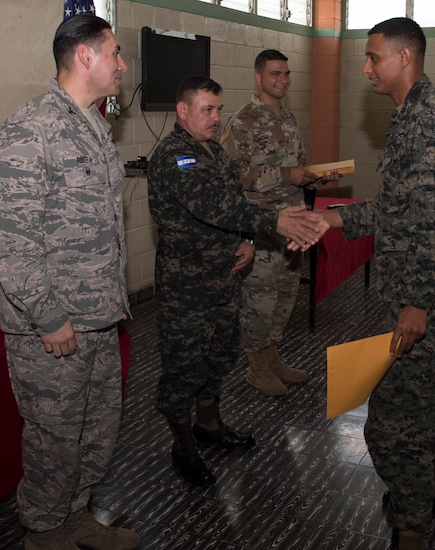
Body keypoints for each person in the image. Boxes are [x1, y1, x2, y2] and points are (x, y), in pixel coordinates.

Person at [0, 14, 139, 550]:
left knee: (96, 433)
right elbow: (9, 236)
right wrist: (47, 315)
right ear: (84, 56)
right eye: (115, 53)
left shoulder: (94, 123)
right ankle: (44, 531)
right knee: (54, 440)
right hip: (51, 326)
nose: (123, 64)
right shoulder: (32, 128)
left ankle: (74, 516)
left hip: (97, 317)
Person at [319, 18, 435, 550]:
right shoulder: (409, 117)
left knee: (394, 425)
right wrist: (331, 221)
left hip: (422, 294)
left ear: (405, 57)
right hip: (421, 291)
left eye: (373, 57)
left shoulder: (431, 121)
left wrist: (417, 304)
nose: (366, 68)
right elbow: (395, 207)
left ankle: (411, 526)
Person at [147, 75, 329, 486]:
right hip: (187, 285)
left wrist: (246, 239)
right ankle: (183, 446)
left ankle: (208, 425)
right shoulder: (177, 157)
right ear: (182, 111)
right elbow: (212, 207)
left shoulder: (213, 152)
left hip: (223, 276)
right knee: (183, 367)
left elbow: (235, 203)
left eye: (218, 108)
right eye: (207, 110)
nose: (216, 117)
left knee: (217, 356)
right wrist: (273, 222)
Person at [223, 49, 339, 396]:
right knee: (260, 297)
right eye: (275, 74)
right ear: (258, 77)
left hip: (294, 219)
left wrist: (314, 177)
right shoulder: (243, 120)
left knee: (287, 292)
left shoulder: (287, 119)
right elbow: (236, 175)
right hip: (263, 224)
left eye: (286, 74)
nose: (283, 80)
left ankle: (272, 356)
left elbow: (298, 167)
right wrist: (289, 174)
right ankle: (256, 367)